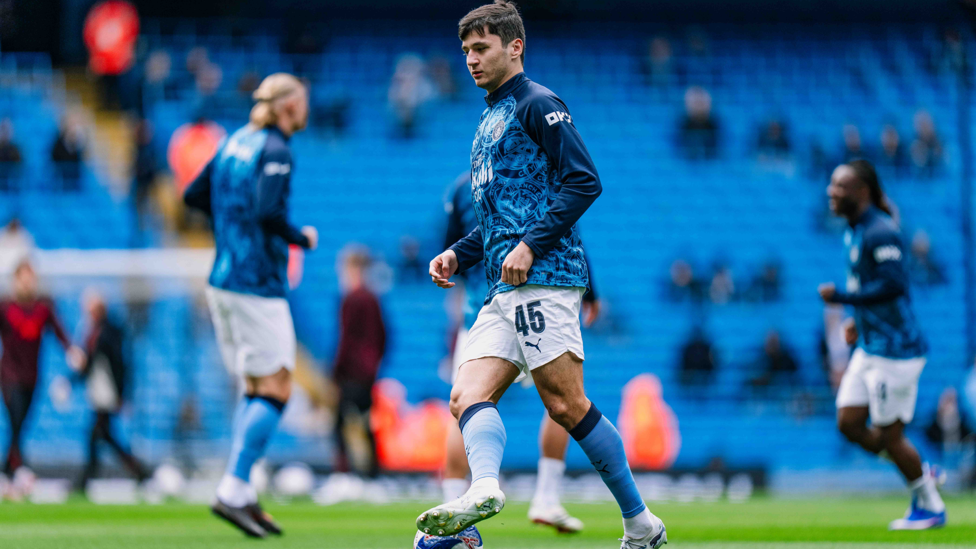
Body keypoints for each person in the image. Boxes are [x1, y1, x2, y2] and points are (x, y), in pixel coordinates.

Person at [420, 3, 666, 548]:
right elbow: (499, 218)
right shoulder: (489, 118)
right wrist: (457, 255)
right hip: (500, 286)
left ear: (515, 47)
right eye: (465, 51)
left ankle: (641, 523)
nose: (471, 60)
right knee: (465, 394)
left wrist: (531, 246)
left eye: (481, 48)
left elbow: (584, 181)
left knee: (565, 404)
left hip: (545, 278)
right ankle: (481, 494)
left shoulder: (539, 103)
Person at [183, 72, 318, 538]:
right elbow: (268, 212)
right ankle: (234, 485)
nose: (306, 110)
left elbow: (192, 194)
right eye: (302, 102)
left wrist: (230, 226)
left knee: (257, 385)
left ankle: (239, 489)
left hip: (222, 278)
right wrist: (302, 237)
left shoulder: (234, 140)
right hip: (255, 282)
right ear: (285, 107)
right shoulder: (276, 148)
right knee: (278, 387)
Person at [441, 172, 602, 534]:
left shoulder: (460, 188)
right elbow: (565, 229)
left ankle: (456, 504)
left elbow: (454, 251)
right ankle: (546, 495)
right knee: (564, 400)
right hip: (538, 304)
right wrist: (592, 291)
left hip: (479, 312)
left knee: (464, 405)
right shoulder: (533, 175)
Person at [817, 159, 945, 530]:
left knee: (892, 437)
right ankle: (920, 470)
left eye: (839, 186)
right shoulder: (853, 231)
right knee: (849, 422)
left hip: (897, 353)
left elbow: (894, 284)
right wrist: (858, 322)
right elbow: (868, 286)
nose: (831, 192)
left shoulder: (881, 232)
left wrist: (843, 299)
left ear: (861, 192)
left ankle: (931, 507)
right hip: (871, 346)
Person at [0, 261, 85, 498]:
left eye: (31, 277)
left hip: (31, 377)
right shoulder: (5, 307)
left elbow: (58, 331)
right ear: (15, 280)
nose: (28, 282)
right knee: (16, 421)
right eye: (23, 277)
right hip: (9, 375)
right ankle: (19, 470)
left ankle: (8, 473)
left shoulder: (43, 308)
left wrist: (71, 350)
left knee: (21, 426)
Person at [74, 290, 148, 489]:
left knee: (99, 433)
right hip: (98, 391)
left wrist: (121, 394)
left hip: (106, 392)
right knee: (103, 434)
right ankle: (137, 470)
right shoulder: (93, 331)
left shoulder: (108, 331)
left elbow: (118, 364)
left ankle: (87, 478)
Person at [332, 246, 386, 478]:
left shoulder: (352, 299)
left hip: (352, 373)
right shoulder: (372, 298)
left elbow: (346, 339)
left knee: (341, 423)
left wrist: (336, 370)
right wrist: (374, 363)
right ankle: (373, 472)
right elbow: (384, 336)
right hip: (368, 373)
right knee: (366, 423)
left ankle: (345, 473)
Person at [50, 114, 85, 191]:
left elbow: (82, 159)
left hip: (75, 180)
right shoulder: (57, 141)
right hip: (61, 178)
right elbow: (54, 156)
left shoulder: (78, 142)